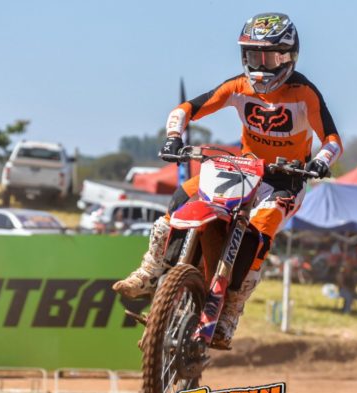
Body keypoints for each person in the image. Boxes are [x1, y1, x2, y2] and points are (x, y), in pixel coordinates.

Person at [113, 13, 343, 349]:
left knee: (260, 230)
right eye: (252, 56)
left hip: (286, 179)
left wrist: (321, 162)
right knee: (183, 195)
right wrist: (174, 136)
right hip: (245, 169)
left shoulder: (304, 93)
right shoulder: (238, 86)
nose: (260, 66)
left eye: (268, 58)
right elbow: (185, 109)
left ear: (288, 56)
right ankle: (151, 269)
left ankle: (231, 307)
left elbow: (332, 140)